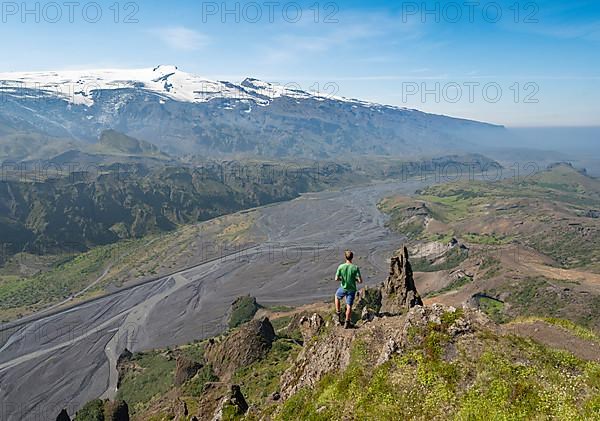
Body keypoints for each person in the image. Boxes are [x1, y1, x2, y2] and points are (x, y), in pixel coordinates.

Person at [334, 250, 363, 329]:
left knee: (337, 296)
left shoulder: (341, 267)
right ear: (352, 257)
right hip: (352, 289)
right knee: (349, 306)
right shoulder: (355, 268)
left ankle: (338, 312)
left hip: (343, 287)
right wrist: (354, 280)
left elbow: (336, 279)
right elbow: (360, 281)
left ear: (345, 257)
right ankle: (347, 322)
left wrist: (343, 279)